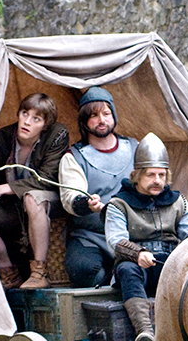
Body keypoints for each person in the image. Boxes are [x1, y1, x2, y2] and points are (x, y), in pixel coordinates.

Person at [104, 133, 188, 341]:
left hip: (170, 264)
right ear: (137, 175)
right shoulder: (119, 204)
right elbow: (115, 241)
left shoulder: (179, 203)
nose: (157, 180)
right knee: (126, 270)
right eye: (151, 175)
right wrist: (138, 254)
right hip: (138, 267)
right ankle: (145, 332)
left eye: (162, 175)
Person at [0, 93, 69, 290]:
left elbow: (46, 178)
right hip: (13, 207)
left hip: (48, 199)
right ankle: (8, 271)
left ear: (45, 125)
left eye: (36, 119)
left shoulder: (57, 134)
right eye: (25, 113)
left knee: (33, 198)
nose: (27, 122)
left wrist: (4, 188)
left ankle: (39, 271)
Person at [59, 87, 138, 287]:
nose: (101, 120)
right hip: (91, 236)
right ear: (84, 122)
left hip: (133, 233)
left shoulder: (135, 148)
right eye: (94, 116)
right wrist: (87, 203)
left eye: (106, 113)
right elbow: (71, 196)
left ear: (113, 116)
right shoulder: (73, 156)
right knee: (84, 270)